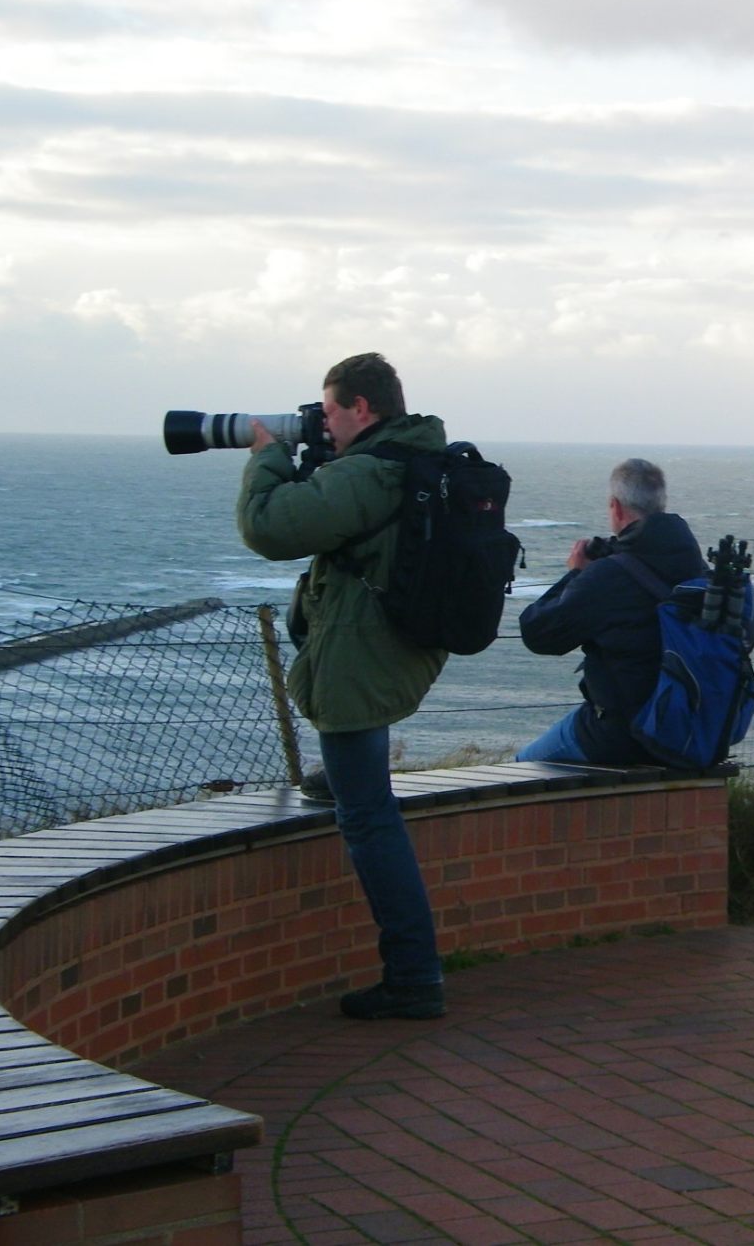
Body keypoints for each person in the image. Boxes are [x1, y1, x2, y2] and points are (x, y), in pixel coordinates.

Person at [237, 352, 449, 1021]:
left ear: (362, 407)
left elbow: (269, 527)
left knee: (368, 819)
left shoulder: (370, 472)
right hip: (393, 644)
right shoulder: (413, 457)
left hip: (360, 656)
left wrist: (267, 457)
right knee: (360, 788)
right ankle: (342, 777)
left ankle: (414, 977)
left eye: (329, 410)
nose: (322, 421)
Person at [516, 458, 710, 764]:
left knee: (525, 766)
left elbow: (537, 634)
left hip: (624, 735)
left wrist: (576, 573)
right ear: (661, 503)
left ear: (616, 507)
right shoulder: (699, 568)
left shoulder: (609, 575)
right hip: (692, 730)